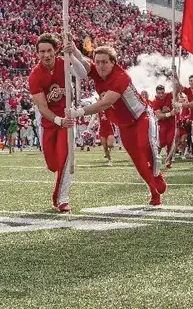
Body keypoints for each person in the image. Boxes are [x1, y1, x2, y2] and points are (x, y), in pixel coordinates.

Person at [64, 45, 167, 206]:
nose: (100, 66)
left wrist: (78, 112)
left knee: (144, 146)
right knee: (137, 160)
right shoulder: (97, 70)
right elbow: (85, 64)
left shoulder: (120, 77)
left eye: (105, 62)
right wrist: (74, 50)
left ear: (113, 62)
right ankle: (153, 191)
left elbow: (105, 103)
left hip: (141, 117)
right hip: (124, 124)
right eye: (98, 62)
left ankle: (157, 174)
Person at [27, 33, 79, 212]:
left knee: (64, 158)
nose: (46, 55)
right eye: (42, 51)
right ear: (37, 53)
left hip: (67, 117)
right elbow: (42, 107)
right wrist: (59, 121)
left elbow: (84, 71)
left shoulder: (65, 63)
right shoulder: (35, 75)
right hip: (49, 121)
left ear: (55, 50)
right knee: (53, 164)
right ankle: (60, 193)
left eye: (49, 50)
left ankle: (62, 198)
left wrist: (74, 52)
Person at [151, 85, 179, 171]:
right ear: (156, 93)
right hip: (162, 125)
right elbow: (159, 116)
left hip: (171, 124)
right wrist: (170, 113)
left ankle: (168, 161)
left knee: (170, 142)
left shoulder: (168, 95)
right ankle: (155, 158)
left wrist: (175, 83)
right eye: (159, 93)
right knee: (161, 143)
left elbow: (176, 90)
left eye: (162, 92)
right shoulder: (155, 101)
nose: (161, 94)